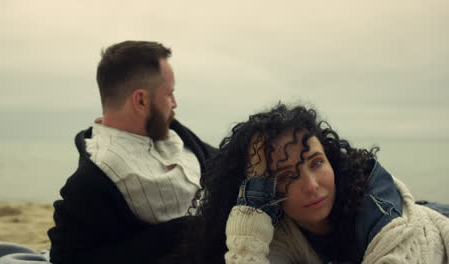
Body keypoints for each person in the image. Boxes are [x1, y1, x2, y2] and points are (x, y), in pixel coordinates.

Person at [194, 103, 449, 263]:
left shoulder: (378, 210)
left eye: (316, 162)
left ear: (331, 158)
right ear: (268, 190)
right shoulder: (284, 231)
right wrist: (255, 197)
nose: (312, 185)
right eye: (286, 176)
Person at [46, 41, 217, 264]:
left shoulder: (174, 131)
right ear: (141, 100)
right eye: (169, 94)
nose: (175, 103)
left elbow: (225, 160)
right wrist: (180, 232)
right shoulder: (93, 179)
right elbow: (66, 258)